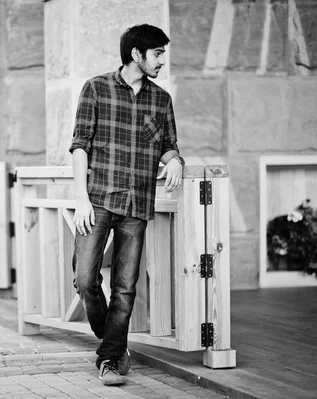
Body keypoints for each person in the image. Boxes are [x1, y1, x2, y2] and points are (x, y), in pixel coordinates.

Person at [68, 24, 184, 386]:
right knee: (85, 279)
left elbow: (166, 143)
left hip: (137, 203)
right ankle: (116, 345)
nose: (163, 60)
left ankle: (109, 359)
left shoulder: (161, 99)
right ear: (137, 54)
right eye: (158, 54)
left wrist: (176, 160)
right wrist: (80, 198)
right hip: (99, 199)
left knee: (124, 286)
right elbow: (80, 145)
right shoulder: (96, 88)